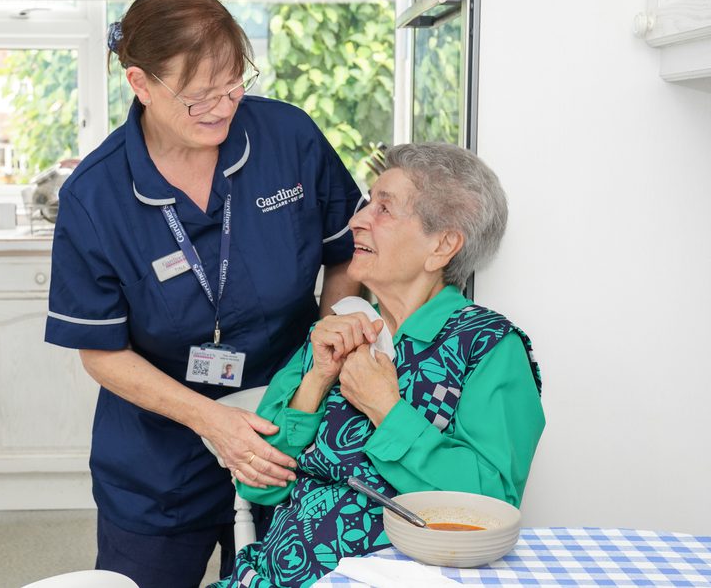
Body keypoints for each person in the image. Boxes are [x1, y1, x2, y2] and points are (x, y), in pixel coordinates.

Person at [44, 0, 363, 587]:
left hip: (288, 426)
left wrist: (328, 339)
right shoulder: (95, 197)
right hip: (159, 456)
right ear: (140, 84)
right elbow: (102, 353)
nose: (222, 106)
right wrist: (211, 421)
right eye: (198, 97)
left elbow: (346, 252)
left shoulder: (288, 139)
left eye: (234, 83)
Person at [212, 143, 545, 588]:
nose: (356, 220)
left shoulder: (489, 348)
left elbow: (490, 503)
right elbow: (258, 486)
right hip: (277, 576)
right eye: (368, 202)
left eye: (384, 209)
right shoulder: (340, 328)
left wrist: (385, 409)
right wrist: (317, 378)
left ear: (443, 245)